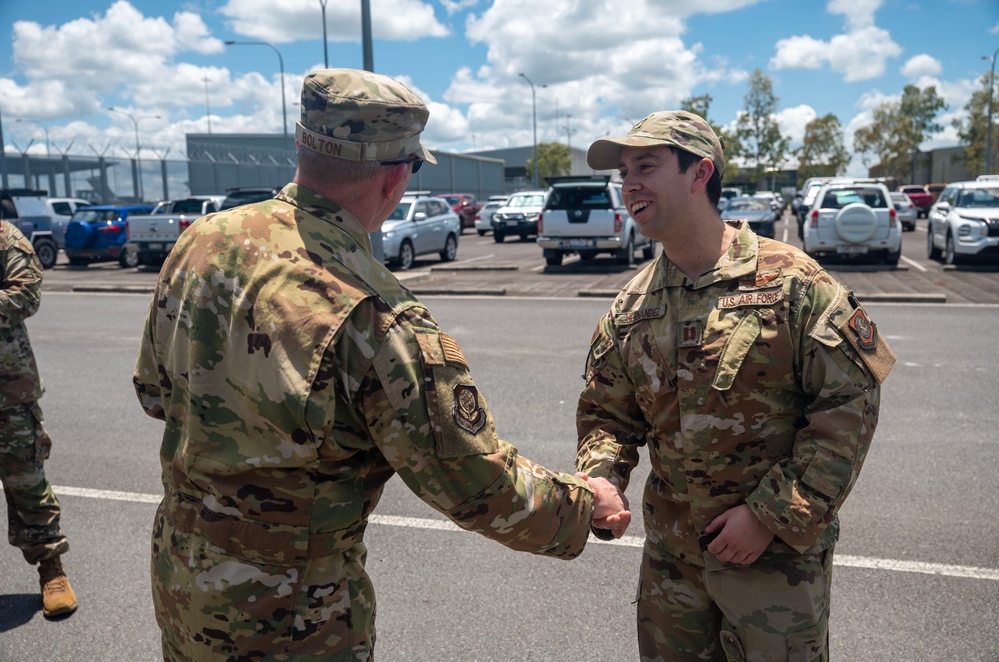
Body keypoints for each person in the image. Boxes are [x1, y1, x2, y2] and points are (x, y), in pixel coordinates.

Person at [133, 68, 630, 662]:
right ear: (397, 175)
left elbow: (154, 393)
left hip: (182, 576)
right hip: (287, 614)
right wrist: (585, 501)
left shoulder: (203, 241)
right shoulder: (375, 314)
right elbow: (474, 484)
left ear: (303, 146)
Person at [575, 111, 895, 661]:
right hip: (673, 569)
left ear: (700, 174)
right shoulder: (630, 308)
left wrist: (770, 515)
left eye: (646, 167)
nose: (629, 184)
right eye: (624, 172)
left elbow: (850, 403)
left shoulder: (793, 282)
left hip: (775, 567)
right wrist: (603, 479)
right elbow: (608, 415)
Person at [0, 220, 78, 618]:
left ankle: (52, 570)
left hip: (7, 392)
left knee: (27, 483)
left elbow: (26, 294)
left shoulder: (5, 238)